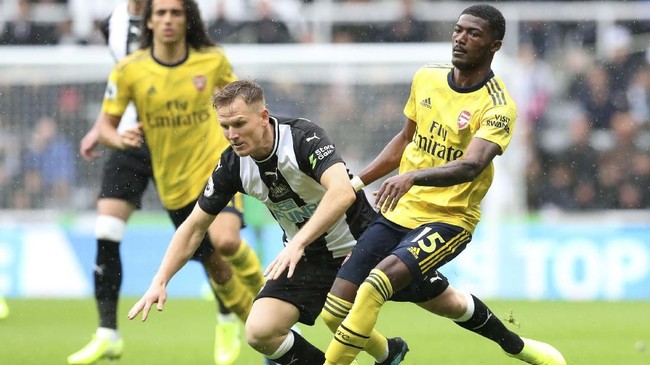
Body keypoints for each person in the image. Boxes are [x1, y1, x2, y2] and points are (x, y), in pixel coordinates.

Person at [322, 4, 567, 365]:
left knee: (375, 285)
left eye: (473, 34)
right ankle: (398, 354)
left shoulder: (498, 106)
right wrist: (355, 183)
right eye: (457, 30)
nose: (460, 39)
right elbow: (405, 140)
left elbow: (471, 166)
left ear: (494, 45)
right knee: (334, 310)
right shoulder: (427, 78)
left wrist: (412, 176)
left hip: (449, 219)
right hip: (400, 211)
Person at [127, 80, 408, 365]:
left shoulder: (302, 137)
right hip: (307, 257)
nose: (232, 135)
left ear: (263, 117)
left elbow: (342, 191)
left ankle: (389, 351)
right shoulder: (233, 165)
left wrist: (297, 242)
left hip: (361, 245)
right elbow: (194, 227)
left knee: (450, 304)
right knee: (260, 332)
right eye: (225, 127)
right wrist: (160, 280)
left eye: (238, 123)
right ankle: (385, 354)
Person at [73, 1, 265, 365]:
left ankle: (274, 305)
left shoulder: (211, 61)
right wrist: (120, 140)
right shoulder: (131, 70)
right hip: (173, 185)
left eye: (175, 13)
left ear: (187, 18)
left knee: (226, 240)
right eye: (160, 13)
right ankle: (261, 332)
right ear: (148, 21)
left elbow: (239, 106)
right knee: (217, 269)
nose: (167, 20)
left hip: (214, 170)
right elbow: (106, 128)